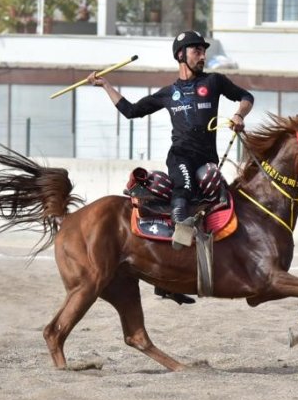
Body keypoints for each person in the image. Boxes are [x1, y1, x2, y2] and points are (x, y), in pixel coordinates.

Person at [88, 30, 254, 304]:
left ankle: (176, 275)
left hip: (207, 161)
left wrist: (239, 114)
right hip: (180, 157)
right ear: (181, 55)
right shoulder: (169, 93)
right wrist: (105, 84)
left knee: (219, 200)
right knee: (185, 189)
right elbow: (131, 111)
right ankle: (174, 247)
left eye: (203, 51)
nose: (202, 55)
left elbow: (246, 96)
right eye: (196, 51)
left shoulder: (214, 82)